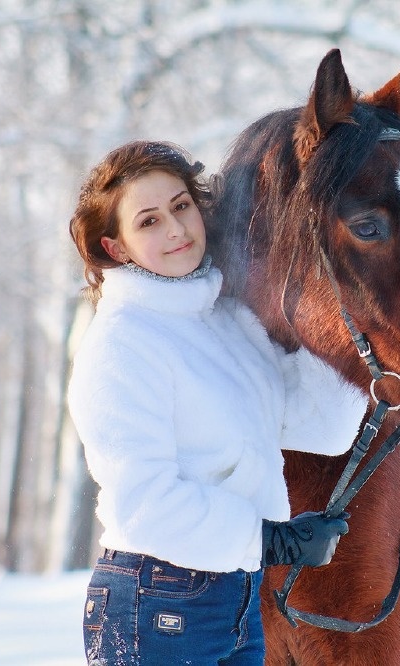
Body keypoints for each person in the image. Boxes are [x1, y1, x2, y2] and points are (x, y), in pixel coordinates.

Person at [66, 140, 369, 665]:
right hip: (154, 596)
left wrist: (353, 329)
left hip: (235, 593)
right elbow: (144, 504)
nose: (177, 230)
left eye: (181, 207)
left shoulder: (225, 323)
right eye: (150, 221)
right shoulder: (121, 344)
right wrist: (269, 540)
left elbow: (315, 423)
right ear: (117, 248)